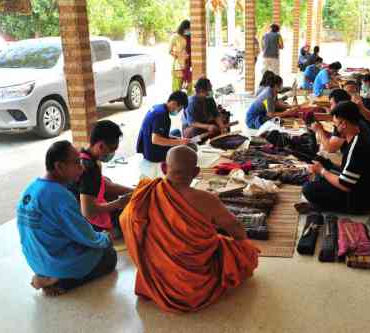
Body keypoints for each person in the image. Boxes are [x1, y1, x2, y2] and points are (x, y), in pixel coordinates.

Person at [120, 145, 259, 313]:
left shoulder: (147, 193)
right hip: (196, 288)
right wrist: (244, 247)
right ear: (196, 172)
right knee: (240, 251)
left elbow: (127, 222)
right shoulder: (206, 200)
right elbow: (235, 228)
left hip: (157, 280)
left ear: (164, 167)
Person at [17, 141, 117, 296]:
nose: (81, 168)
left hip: (35, 261)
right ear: (59, 167)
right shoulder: (60, 196)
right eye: (76, 163)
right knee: (109, 256)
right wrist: (104, 238)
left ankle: (47, 275)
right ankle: (59, 280)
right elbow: (86, 235)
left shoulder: (31, 189)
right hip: (54, 263)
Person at [300, 102, 370, 214]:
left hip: (362, 203)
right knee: (322, 175)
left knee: (308, 188)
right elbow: (351, 169)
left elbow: (345, 185)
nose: (335, 129)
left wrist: (322, 170)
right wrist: (328, 165)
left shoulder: (357, 146)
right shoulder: (358, 135)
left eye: (335, 124)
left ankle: (329, 207)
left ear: (343, 124)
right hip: (363, 193)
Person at [71, 120, 133, 234]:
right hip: (87, 221)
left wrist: (133, 191)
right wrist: (119, 203)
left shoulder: (83, 155)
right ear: (100, 146)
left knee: (109, 182)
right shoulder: (89, 169)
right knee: (135, 217)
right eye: (111, 150)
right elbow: (88, 212)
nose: (112, 154)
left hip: (86, 207)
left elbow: (105, 184)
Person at [137, 91, 190, 179]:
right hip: (153, 154)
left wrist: (177, 139)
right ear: (174, 103)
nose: (178, 111)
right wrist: (179, 142)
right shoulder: (161, 115)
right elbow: (156, 140)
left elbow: (160, 134)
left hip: (145, 148)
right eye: (179, 108)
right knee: (182, 151)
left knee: (176, 133)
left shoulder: (157, 107)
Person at [169, 20, 193, 94]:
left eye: (189, 29)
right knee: (176, 91)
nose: (188, 31)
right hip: (178, 67)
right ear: (182, 28)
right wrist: (180, 55)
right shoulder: (175, 37)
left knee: (191, 89)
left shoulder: (190, 37)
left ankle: (188, 105)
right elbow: (170, 51)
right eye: (187, 29)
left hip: (188, 66)